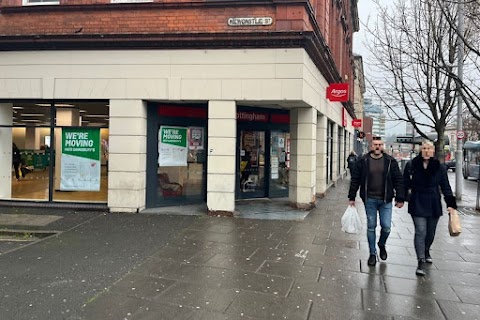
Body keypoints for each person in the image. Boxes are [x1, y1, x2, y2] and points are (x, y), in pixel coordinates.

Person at [348, 137, 405, 266]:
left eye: (380, 144)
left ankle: (382, 244)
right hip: (370, 200)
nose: (378, 147)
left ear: (383, 146)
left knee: (386, 227)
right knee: (371, 227)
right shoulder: (363, 161)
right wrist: (352, 197)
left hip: (386, 200)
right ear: (371, 146)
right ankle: (372, 253)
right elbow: (355, 179)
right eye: (375, 144)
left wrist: (400, 197)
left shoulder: (390, 161)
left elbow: (398, 179)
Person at [403, 140, 457, 276]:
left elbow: (445, 186)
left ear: (433, 151)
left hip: (433, 202)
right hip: (417, 200)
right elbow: (404, 184)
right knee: (420, 231)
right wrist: (401, 198)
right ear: (421, 150)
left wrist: (450, 204)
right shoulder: (412, 165)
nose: (427, 151)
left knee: (430, 233)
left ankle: (426, 249)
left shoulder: (439, 167)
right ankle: (420, 260)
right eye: (424, 148)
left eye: (429, 148)